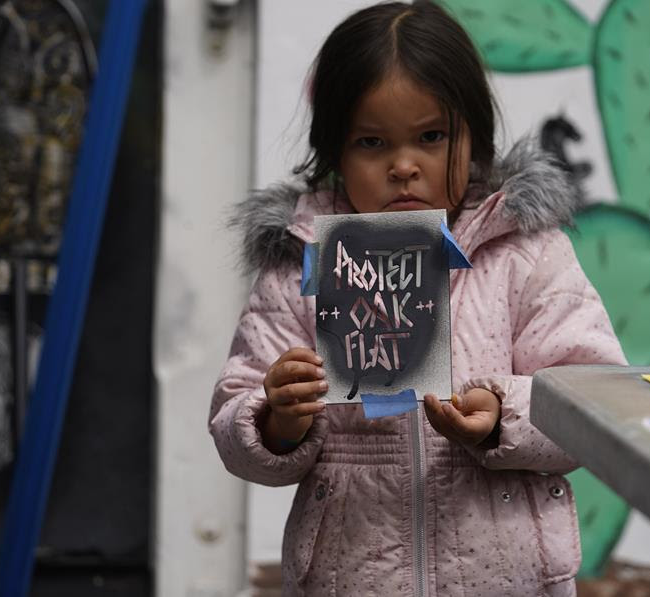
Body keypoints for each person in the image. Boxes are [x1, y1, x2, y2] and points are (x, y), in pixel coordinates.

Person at [210, 3, 626, 595]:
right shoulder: (302, 262)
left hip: (508, 580)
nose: (404, 166)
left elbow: (593, 402)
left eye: (431, 137)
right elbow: (234, 415)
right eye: (372, 142)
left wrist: (499, 415)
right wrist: (277, 419)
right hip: (349, 577)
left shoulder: (528, 253)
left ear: (475, 138)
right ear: (334, 151)